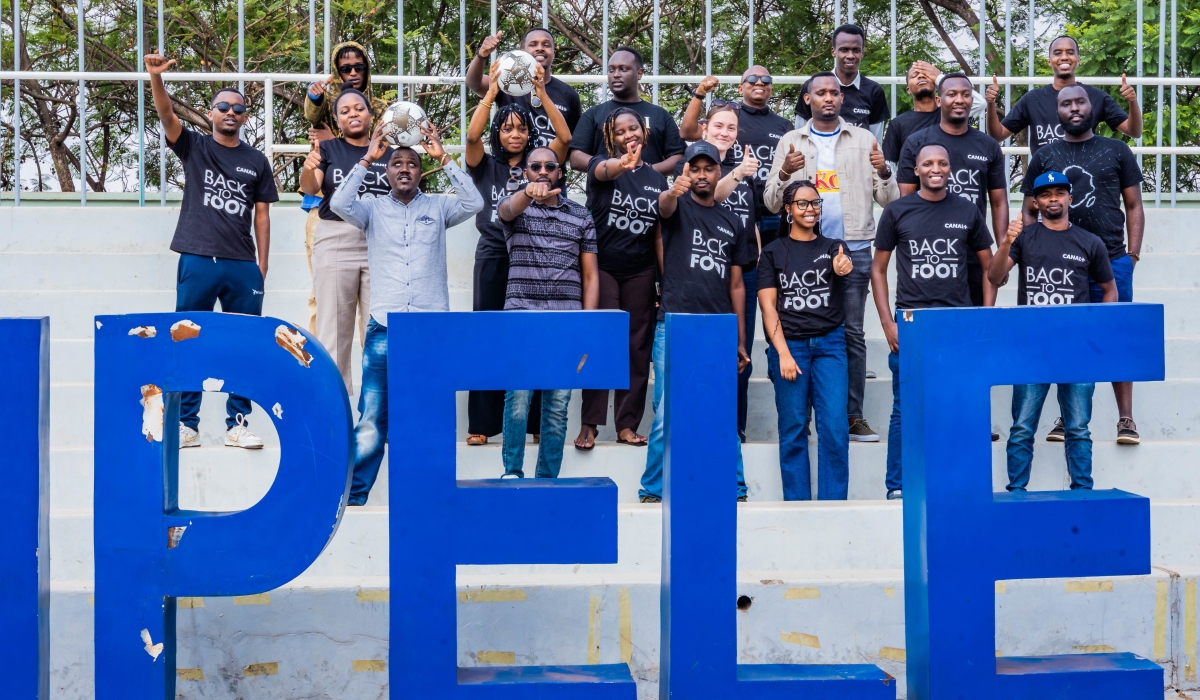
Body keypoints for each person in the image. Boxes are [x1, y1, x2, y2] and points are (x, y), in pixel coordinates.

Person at [331, 122, 484, 505]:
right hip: (385, 326)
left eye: (411, 164)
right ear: (387, 171)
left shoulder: (439, 206)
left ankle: (426, 494)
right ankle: (356, 495)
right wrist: (367, 157)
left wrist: (443, 157)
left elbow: (474, 203)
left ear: (420, 171)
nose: (403, 168)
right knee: (373, 415)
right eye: (396, 162)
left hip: (432, 329)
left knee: (429, 414)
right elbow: (337, 204)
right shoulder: (371, 209)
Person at [145, 53, 278, 450]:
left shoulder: (256, 160)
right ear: (212, 112)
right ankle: (187, 425)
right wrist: (155, 78)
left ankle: (238, 424)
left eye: (239, 108)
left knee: (243, 343)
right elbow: (167, 114)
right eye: (224, 107)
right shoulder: (195, 147)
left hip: (241, 264)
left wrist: (262, 266)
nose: (231, 112)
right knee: (190, 338)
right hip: (199, 257)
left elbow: (263, 216)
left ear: (245, 117)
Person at [765, 71, 899, 444]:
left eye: (834, 92)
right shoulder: (792, 140)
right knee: (801, 332)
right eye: (820, 92)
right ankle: (800, 417)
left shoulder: (863, 139)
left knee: (851, 333)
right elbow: (773, 202)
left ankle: (853, 415)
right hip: (803, 253)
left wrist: (885, 169)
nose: (829, 97)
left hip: (853, 247)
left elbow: (889, 199)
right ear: (807, 99)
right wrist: (785, 173)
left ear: (842, 99)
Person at [1020, 84, 1145, 445]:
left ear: (1092, 107)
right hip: (1063, 266)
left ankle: (1126, 418)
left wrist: (1132, 256)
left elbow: (1134, 206)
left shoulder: (1117, 150)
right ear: (1056, 111)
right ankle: (1067, 417)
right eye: (1065, 104)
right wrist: (1035, 249)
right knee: (1070, 338)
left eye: (1080, 102)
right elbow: (1030, 209)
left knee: (1115, 336)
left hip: (1113, 260)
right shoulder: (1045, 154)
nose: (1073, 108)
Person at [872, 143, 995, 499]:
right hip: (912, 323)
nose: (935, 168)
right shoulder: (897, 211)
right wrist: (887, 323)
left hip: (955, 323)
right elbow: (878, 271)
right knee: (905, 407)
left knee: (959, 403)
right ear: (917, 169)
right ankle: (897, 484)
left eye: (942, 162)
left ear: (950, 168)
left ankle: (958, 483)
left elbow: (989, 269)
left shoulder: (967, 210)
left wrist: (984, 316)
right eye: (928, 163)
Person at [641, 142, 758, 503]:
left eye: (709, 168)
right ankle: (653, 488)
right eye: (695, 168)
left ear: (719, 172)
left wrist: (739, 339)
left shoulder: (732, 220)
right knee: (667, 414)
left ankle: (735, 486)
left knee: (722, 412)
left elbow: (737, 284)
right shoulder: (676, 206)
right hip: (674, 323)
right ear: (686, 172)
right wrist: (671, 191)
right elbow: (664, 207)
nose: (702, 175)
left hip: (717, 329)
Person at [987, 171, 1117, 490]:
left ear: (1070, 198)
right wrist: (1006, 241)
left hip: (1076, 350)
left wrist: (1097, 331)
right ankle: (1016, 492)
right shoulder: (1025, 238)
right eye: (1046, 194)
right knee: (1021, 428)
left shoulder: (1090, 242)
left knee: (1077, 429)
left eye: (1060, 192)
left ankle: (1082, 493)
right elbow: (994, 276)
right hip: (1031, 349)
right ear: (1036, 202)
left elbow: (1109, 289)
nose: (1053, 198)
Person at [465, 60, 572, 446]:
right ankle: (482, 422)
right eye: (507, 127)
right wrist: (492, 91)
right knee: (488, 335)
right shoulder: (485, 166)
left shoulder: (538, 165)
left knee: (533, 336)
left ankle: (536, 424)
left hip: (531, 254)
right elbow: (473, 137)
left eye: (521, 127)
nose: (514, 133)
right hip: (494, 253)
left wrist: (540, 93)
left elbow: (564, 137)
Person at [681, 74, 788, 440]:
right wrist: (739, 173)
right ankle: (700, 424)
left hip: (744, 269)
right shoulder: (699, 167)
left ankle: (735, 427)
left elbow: (749, 216)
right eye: (719, 126)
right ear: (706, 128)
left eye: (732, 127)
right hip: (706, 270)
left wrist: (756, 252)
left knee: (739, 351)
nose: (726, 132)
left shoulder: (745, 165)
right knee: (703, 353)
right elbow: (712, 197)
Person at [496, 148, 600, 477]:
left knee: (556, 408)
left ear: (560, 172)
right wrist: (527, 193)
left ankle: (547, 482)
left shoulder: (581, 215)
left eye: (550, 166)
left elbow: (590, 276)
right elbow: (507, 210)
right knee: (517, 402)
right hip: (521, 320)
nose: (543, 170)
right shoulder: (517, 208)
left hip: (565, 323)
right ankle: (512, 474)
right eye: (535, 166)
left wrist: (587, 325)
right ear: (525, 172)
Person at [574, 108, 667, 450]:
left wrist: (663, 278)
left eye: (634, 129)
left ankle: (627, 425)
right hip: (604, 268)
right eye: (621, 131)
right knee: (602, 342)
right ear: (610, 138)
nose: (629, 135)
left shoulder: (657, 179)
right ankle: (590, 424)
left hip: (640, 271)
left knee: (637, 349)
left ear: (644, 132)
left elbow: (657, 233)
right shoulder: (602, 166)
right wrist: (621, 165)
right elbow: (602, 169)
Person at [758, 180, 855, 500]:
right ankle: (797, 507)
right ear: (787, 210)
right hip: (791, 347)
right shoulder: (772, 253)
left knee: (835, 428)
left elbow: (843, 265)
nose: (810, 209)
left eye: (815, 203)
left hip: (830, 345)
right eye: (802, 204)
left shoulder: (833, 246)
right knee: (794, 428)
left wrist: (842, 267)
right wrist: (783, 353)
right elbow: (768, 307)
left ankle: (833, 507)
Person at [298, 89, 391, 393]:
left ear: (369, 114)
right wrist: (308, 168)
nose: (353, 114)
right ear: (337, 119)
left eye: (359, 108)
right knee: (334, 331)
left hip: (380, 241)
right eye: (345, 111)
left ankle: (378, 413)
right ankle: (336, 417)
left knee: (380, 330)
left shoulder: (389, 153)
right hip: (336, 237)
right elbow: (312, 187)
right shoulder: (329, 149)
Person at [302, 42, 389, 341]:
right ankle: (326, 377)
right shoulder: (327, 100)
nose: (352, 72)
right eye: (344, 68)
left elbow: (376, 140)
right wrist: (314, 96)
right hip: (327, 212)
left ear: (367, 69)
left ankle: (375, 387)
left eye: (358, 67)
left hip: (373, 225)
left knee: (377, 320)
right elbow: (313, 116)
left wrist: (334, 136)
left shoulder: (379, 107)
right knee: (323, 303)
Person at [897, 72, 1007, 308]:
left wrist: (1002, 255)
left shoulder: (988, 145)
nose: (959, 100)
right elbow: (905, 203)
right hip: (931, 256)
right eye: (952, 94)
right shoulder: (917, 142)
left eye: (966, 94)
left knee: (972, 335)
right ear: (939, 101)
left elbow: (999, 203)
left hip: (975, 254)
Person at [985, 35, 1142, 155]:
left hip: (1083, 177)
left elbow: (1133, 131)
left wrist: (1132, 101)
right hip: (1045, 186)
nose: (1064, 57)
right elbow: (997, 136)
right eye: (1058, 53)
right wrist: (991, 104)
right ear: (1050, 61)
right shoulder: (1032, 99)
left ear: (1078, 60)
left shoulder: (1096, 97)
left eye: (1070, 52)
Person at [569, 46, 685, 176]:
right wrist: (612, 168)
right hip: (606, 193)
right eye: (611, 70)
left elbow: (679, 157)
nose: (616, 74)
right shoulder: (594, 114)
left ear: (639, 73)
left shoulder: (660, 114)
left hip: (650, 194)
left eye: (623, 69)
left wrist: (647, 171)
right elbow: (576, 158)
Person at [467, 28, 582, 152]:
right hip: (511, 167)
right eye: (533, 44)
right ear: (523, 52)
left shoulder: (568, 94)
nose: (540, 48)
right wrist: (482, 55)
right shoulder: (507, 84)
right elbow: (474, 84)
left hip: (547, 168)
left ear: (553, 53)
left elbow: (571, 142)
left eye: (546, 45)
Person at [882, 62, 988, 166]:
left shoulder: (952, 114)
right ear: (908, 90)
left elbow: (980, 103)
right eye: (915, 76)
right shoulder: (898, 123)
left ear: (937, 84)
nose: (921, 77)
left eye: (927, 75)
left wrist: (939, 77)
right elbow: (889, 163)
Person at [794, 25, 889, 142]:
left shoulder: (874, 91)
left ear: (862, 53)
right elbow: (799, 137)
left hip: (858, 159)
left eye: (856, 50)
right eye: (844, 50)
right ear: (833, 51)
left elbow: (875, 143)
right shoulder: (812, 86)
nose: (850, 56)